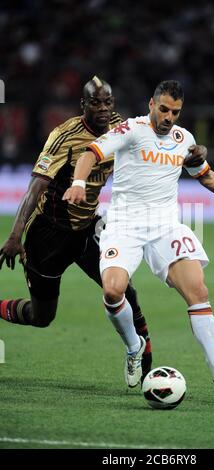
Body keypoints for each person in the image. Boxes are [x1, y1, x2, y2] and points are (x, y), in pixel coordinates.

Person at [63, 80, 214, 392]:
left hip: (165, 226)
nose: (169, 116)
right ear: (151, 105)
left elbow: (206, 176)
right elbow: (90, 154)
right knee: (113, 291)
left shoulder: (183, 139)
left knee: (197, 290)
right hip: (124, 225)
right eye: (164, 109)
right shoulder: (130, 130)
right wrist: (78, 183)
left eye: (175, 111)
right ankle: (134, 346)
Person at [0, 76, 152, 378]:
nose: (103, 108)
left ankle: (143, 359)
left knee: (123, 289)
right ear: (83, 105)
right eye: (96, 102)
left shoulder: (119, 126)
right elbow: (36, 186)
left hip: (89, 229)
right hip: (49, 235)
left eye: (108, 102)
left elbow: (152, 138)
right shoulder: (64, 136)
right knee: (42, 317)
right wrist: (16, 235)